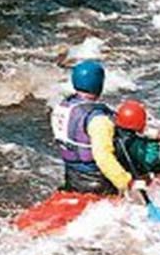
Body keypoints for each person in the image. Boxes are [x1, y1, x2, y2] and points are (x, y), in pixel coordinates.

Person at [51, 60, 144, 200]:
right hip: (99, 184)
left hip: (72, 178)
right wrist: (127, 182)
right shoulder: (98, 120)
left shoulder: (62, 108)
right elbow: (103, 157)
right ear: (99, 84)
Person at [113, 99, 160, 182]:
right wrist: (154, 142)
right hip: (134, 174)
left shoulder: (114, 134)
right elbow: (150, 160)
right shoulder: (136, 143)